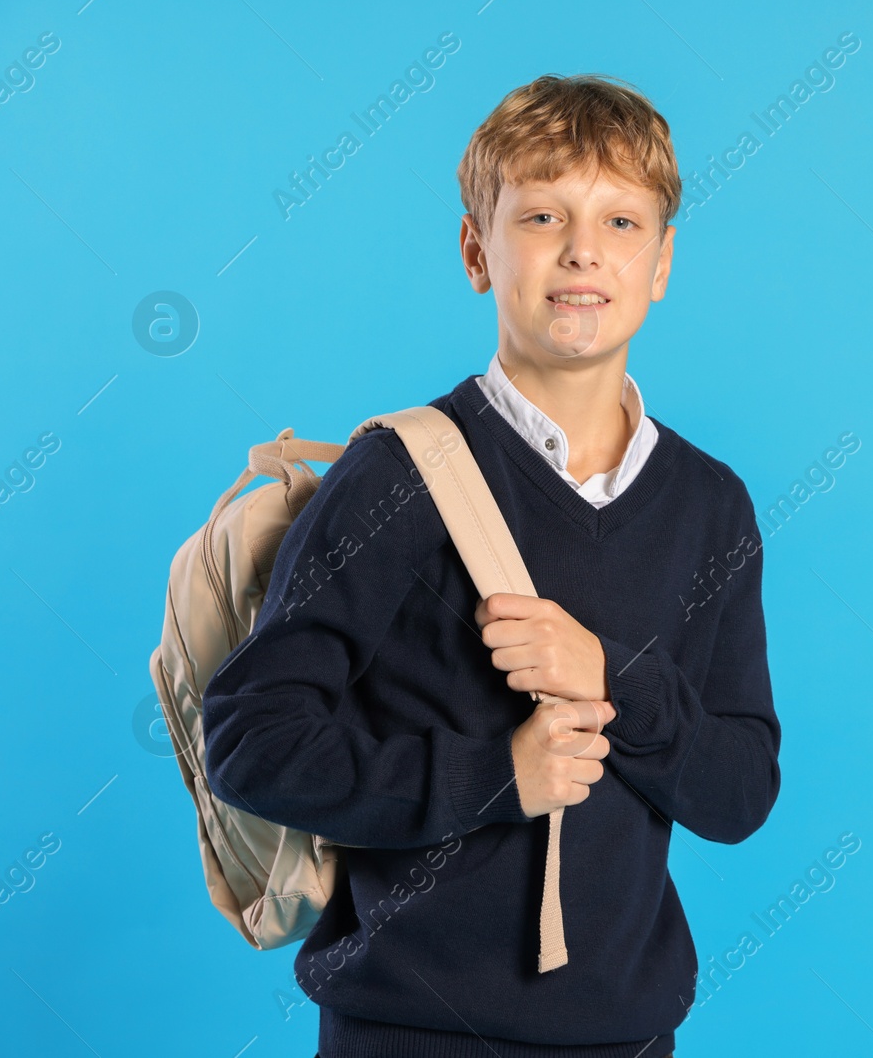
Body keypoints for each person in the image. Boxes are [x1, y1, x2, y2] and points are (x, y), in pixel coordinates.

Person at [202, 73, 780, 1058]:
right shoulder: (398, 475)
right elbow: (252, 741)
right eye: (542, 214)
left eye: (622, 221)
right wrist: (495, 773)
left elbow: (737, 791)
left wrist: (611, 677)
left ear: (662, 263)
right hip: (409, 1031)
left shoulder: (710, 503)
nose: (583, 249)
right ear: (478, 250)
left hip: (628, 1034)